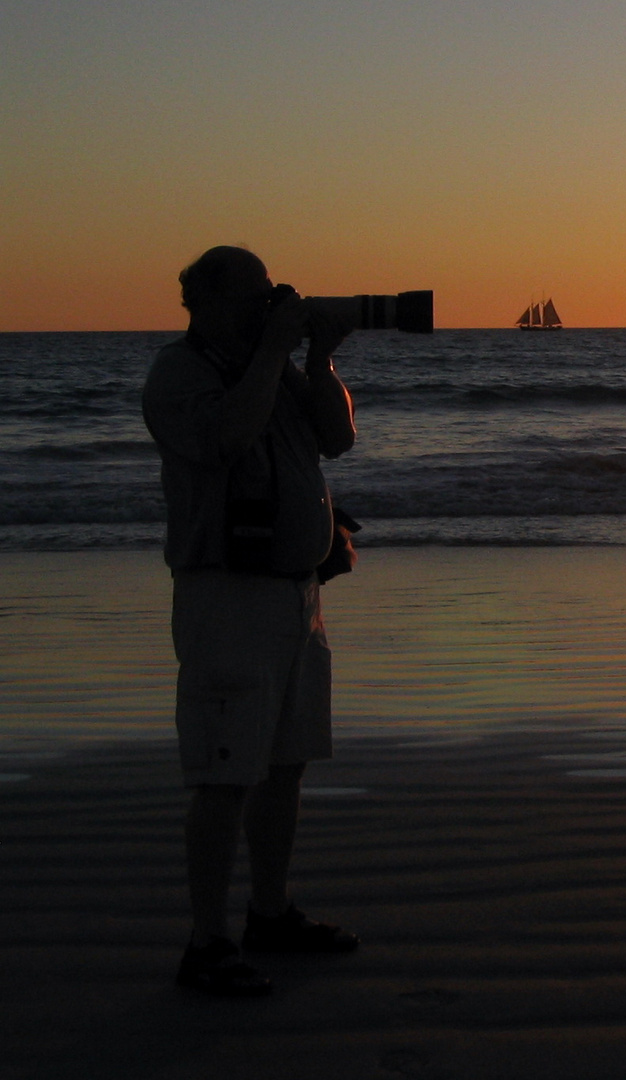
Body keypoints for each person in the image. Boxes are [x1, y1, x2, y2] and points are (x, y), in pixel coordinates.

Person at [143, 246, 360, 997]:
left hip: (297, 595)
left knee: (285, 762)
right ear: (204, 299)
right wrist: (273, 351)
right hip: (227, 598)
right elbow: (228, 437)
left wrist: (321, 359)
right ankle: (207, 943)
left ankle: (270, 912)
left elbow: (337, 438)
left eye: (270, 295)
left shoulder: (276, 369)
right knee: (225, 772)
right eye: (253, 295)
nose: (265, 307)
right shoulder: (182, 374)